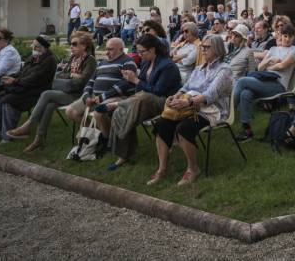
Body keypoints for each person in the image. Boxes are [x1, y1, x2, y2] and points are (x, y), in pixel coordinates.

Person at [149, 35, 233, 186]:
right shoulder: (199, 68)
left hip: (212, 110)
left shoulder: (224, 70)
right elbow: (185, 87)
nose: (203, 50)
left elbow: (211, 94)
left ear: (217, 50)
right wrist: (174, 97)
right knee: (162, 123)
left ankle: (193, 169)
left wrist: (187, 102)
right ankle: (162, 168)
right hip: (189, 107)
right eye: (202, 47)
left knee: (184, 128)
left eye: (207, 47)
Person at [7, 32, 97, 152]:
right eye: (71, 44)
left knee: (46, 94)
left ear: (84, 46)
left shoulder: (90, 60)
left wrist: (69, 78)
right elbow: (59, 75)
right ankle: (39, 139)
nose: (71, 46)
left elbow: (82, 82)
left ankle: (28, 125)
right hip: (67, 92)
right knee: (49, 106)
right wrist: (72, 75)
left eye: (75, 44)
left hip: (80, 96)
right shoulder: (73, 58)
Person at [104, 35, 182, 170]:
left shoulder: (168, 65)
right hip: (144, 101)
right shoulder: (146, 63)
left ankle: (120, 104)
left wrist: (136, 81)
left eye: (142, 52)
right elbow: (140, 86)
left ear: (152, 50)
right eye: (138, 51)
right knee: (126, 110)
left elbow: (158, 91)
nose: (139, 55)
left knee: (140, 100)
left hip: (166, 102)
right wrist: (130, 78)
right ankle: (124, 155)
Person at [0, 36, 58, 144]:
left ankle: (7, 137)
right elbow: (22, 72)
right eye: (33, 45)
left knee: (9, 101)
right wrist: (11, 77)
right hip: (23, 87)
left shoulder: (49, 60)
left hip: (37, 91)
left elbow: (35, 79)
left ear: (44, 48)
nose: (33, 48)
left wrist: (14, 81)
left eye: (36, 46)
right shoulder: (34, 57)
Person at [65, 38, 138, 150]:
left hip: (117, 97)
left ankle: (107, 141)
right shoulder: (102, 63)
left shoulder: (127, 61)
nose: (107, 52)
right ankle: (97, 133)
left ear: (121, 49)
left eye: (111, 49)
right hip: (95, 97)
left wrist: (103, 96)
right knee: (70, 111)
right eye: (106, 49)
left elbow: (126, 83)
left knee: (99, 113)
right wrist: (86, 96)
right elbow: (91, 81)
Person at [233, 26, 295, 141]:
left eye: (290, 36)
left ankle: (228, 111)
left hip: (279, 85)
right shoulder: (273, 49)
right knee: (245, 93)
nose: (287, 39)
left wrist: (270, 66)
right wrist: (269, 60)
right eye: (285, 36)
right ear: (281, 36)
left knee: (242, 81)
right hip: (264, 81)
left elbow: (282, 66)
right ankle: (247, 130)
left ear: (294, 37)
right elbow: (259, 67)